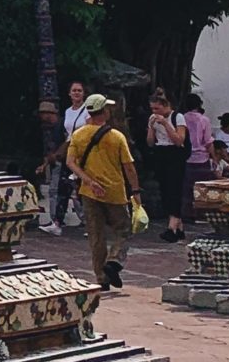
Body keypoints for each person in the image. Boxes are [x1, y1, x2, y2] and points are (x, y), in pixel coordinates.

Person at [67, 93, 141, 291]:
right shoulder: (116, 137)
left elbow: (70, 163)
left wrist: (89, 181)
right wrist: (135, 190)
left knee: (96, 235)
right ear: (105, 112)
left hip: (89, 192)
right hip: (115, 191)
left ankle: (101, 277)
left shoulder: (78, 135)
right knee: (124, 228)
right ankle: (114, 260)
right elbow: (129, 167)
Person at [39, 81, 90, 235]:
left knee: (83, 188)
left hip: (83, 151)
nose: (76, 93)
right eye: (74, 90)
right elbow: (67, 134)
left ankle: (90, 222)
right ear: (69, 93)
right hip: (70, 150)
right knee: (63, 186)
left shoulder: (87, 111)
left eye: (79, 90)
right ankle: (57, 222)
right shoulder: (68, 112)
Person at [145, 89, 189, 240]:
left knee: (174, 188)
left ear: (165, 106)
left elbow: (179, 140)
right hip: (161, 152)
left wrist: (165, 124)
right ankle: (179, 227)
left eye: (157, 108)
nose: (155, 111)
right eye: (152, 109)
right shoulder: (152, 118)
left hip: (175, 154)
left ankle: (172, 226)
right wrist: (151, 127)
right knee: (165, 189)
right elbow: (150, 142)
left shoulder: (178, 117)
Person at [180, 91, 215, 225]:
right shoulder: (204, 120)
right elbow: (208, 141)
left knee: (187, 188)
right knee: (202, 189)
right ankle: (201, 213)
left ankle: (187, 213)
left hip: (187, 158)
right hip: (202, 158)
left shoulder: (181, 118)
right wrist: (214, 158)